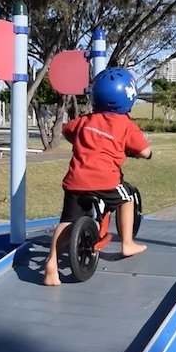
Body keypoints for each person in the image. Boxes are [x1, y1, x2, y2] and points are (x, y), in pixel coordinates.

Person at [43, 67, 152, 286]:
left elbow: (66, 130)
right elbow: (144, 151)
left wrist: (82, 142)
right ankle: (128, 243)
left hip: (75, 181)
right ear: (128, 98)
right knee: (128, 197)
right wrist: (145, 154)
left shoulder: (85, 120)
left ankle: (51, 264)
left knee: (66, 222)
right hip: (106, 182)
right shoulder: (126, 125)